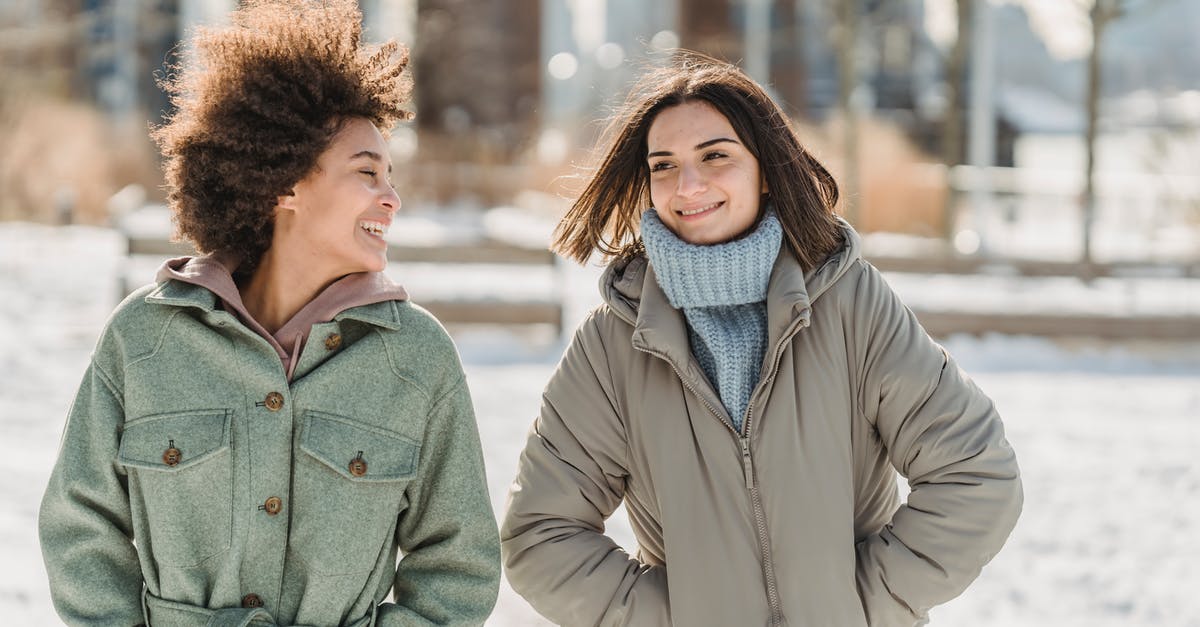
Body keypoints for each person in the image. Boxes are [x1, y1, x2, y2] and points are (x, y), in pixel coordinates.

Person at [501, 53, 1022, 627]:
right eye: (664, 165)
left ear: (766, 168)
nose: (687, 184)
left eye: (715, 156)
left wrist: (862, 607)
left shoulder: (849, 303)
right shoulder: (611, 344)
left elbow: (976, 474)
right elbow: (538, 535)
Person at [38, 1, 500, 625]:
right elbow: (80, 525)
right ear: (283, 183)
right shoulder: (145, 338)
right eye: (367, 173)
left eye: (391, 176)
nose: (391, 198)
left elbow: (458, 564)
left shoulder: (416, 358)